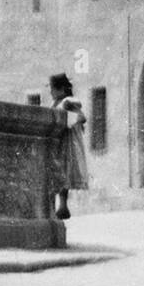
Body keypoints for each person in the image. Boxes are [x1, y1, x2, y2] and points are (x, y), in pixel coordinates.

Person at [49, 72, 88, 221]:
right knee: (59, 173)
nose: (51, 92)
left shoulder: (68, 101)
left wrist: (69, 120)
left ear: (61, 89)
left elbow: (81, 117)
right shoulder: (58, 102)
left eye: (53, 89)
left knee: (63, 171)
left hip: (66, 142)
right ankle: (61, 207)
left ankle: (62, 206)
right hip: (59, 140)